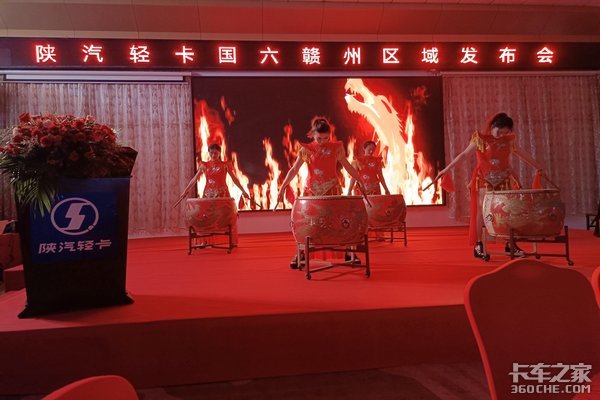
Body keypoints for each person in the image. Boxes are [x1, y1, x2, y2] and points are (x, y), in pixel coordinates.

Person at [434, 112, 544, 258]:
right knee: (481, 211)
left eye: (505, 132)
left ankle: (510, 244)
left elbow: (523, 154)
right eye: (499, 131)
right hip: (484, 180)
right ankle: (479, 244)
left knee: (509, 211)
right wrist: (446, 169)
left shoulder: (509, 141)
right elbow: (464, 155)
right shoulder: (479, 139)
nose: (501, 135)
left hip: (504, 180)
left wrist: (538, 167)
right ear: (492, 126)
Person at [276, 116, 366, 268]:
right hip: (312, 190)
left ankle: (348, 252)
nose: (323, 141)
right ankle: (302, 252)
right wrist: (283, 186)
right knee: (308, 223)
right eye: (319, 138)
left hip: (332, 188)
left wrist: (360, 180)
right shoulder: (306, 149)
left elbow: (347, 166)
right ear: (313, 134)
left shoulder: (336, 148)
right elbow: (294, 169)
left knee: (337, 222)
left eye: (326, 138)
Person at [176, 143, 250, 203]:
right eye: (211, 153)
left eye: (215, 153)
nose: (213, 155)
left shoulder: (225, 165)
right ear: (208, 153)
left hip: (222, 194)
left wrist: (243, 191)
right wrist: (185, 191)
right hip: (208, 194)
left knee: (222, 215)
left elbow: (234, 179)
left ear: (219, 153)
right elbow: (195, 179)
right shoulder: (204, 165)